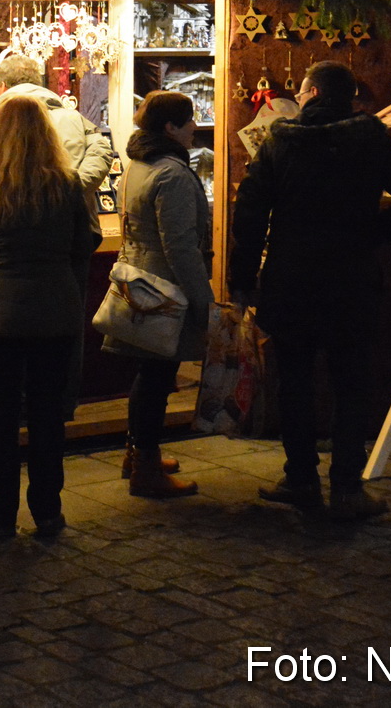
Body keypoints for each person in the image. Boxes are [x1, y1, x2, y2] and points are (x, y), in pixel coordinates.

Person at [230, 60, 391, 519]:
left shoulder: (278, 142)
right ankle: (347, 487)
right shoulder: (369, 140)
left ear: (310, 93)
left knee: (295, 382)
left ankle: (301, 478)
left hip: (291, 280)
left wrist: (242, 281)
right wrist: (373, 230)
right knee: (351, 384)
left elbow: (249, 216)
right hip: (351, 280)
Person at [0, 95, 103, 539]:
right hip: (55, 310)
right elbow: (87, 240)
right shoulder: (66, 183)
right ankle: (47, 511)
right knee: (47, 414)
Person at [105, 90, 213, 498]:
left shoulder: (138, 165)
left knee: (147, 375)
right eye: (188, 121)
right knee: (157, 377)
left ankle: (138, 453)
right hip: (165, 290)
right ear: (170, 127)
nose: (194, 127)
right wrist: (202, 301)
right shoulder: (173, 174)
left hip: (139, 278)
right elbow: (181, 246)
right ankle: (146, 467)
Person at [0, 54, 116, 190]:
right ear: (38, 84)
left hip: (5, 213)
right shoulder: (76, 118)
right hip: (71, 214)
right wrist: (73, 188)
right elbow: (102, 152)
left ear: (2, 86)